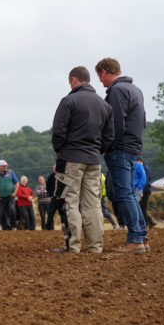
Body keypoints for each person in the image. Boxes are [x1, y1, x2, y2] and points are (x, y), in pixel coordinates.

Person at [51, 65, 114, 254]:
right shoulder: (104, 105)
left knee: (71, 201)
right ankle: (96, 246)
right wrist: (98, 150)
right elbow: (110, 136)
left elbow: (58, 132)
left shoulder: (68, 101)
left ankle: (74, 245)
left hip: (71, 158)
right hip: (94, 160)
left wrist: (60, 151)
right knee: (93, 203)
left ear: (73, 80)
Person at [96, 57, 148, 252]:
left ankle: (135, 239)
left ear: (104, 72)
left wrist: (106, 146)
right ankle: (142, 236)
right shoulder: (136, 90)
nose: (101, 82)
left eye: (100, 77)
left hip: (121, 148)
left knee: (124, 194)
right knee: (130, 195)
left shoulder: (117, 90)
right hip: (134, 147)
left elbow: (116, 124)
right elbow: (142, 119)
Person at [0, 160, 19, 230]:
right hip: (0, 197)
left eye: (6, 166)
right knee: (2, 213)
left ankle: (14, 226)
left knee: (12, 209)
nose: (5, 167)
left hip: (10, 196)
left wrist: (14, 193)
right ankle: (4, 227)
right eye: (3, 166)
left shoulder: (11, 172)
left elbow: (17, 183)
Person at [140, 160, 156, 228]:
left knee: (142, 208)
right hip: (144, 190)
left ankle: (146, 223)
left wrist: (142, 191)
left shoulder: (145, 168)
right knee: (141, 208)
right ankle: (150, 221)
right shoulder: (143, 167)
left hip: (145, 191)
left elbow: (145, 181)